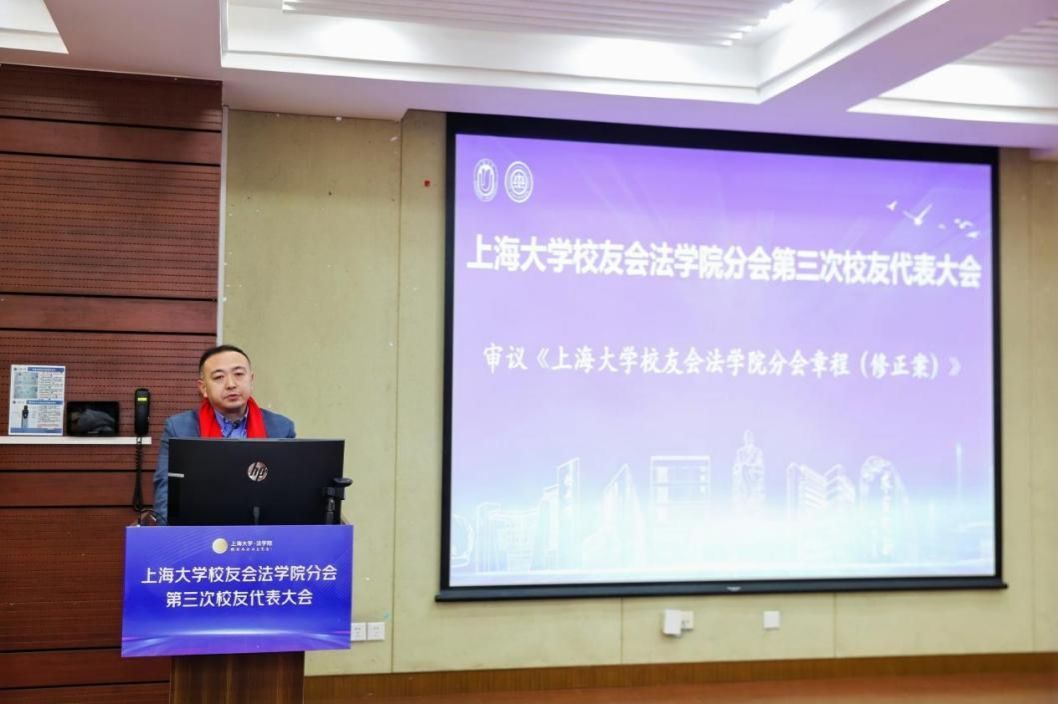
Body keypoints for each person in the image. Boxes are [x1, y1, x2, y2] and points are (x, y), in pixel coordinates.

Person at [152, 344, 295, 524]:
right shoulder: (178, 429)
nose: (231, 384)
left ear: (251, 380)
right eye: (219, 377)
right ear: (203, 388)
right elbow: (166, 492)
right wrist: (175, 535)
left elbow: (289, 492)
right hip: (201, 529)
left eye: (239, 374)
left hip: (262, 531)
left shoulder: (281, 428)